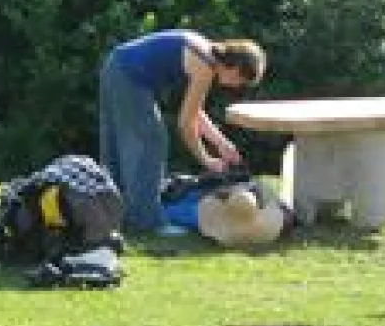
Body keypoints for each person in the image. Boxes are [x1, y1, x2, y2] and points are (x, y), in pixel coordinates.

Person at [96, 30, 265, 236]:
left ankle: (111, 212)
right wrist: (206, 159)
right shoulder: (205, 66)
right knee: (151, 142)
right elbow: (185, 124)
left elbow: (195, 112)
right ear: (236, 68)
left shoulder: (206, 52)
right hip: (129, 76)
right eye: (240, 80)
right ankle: (147, 222)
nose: (236, 86)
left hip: (116, 65)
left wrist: (222, 144)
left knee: (119, 144)